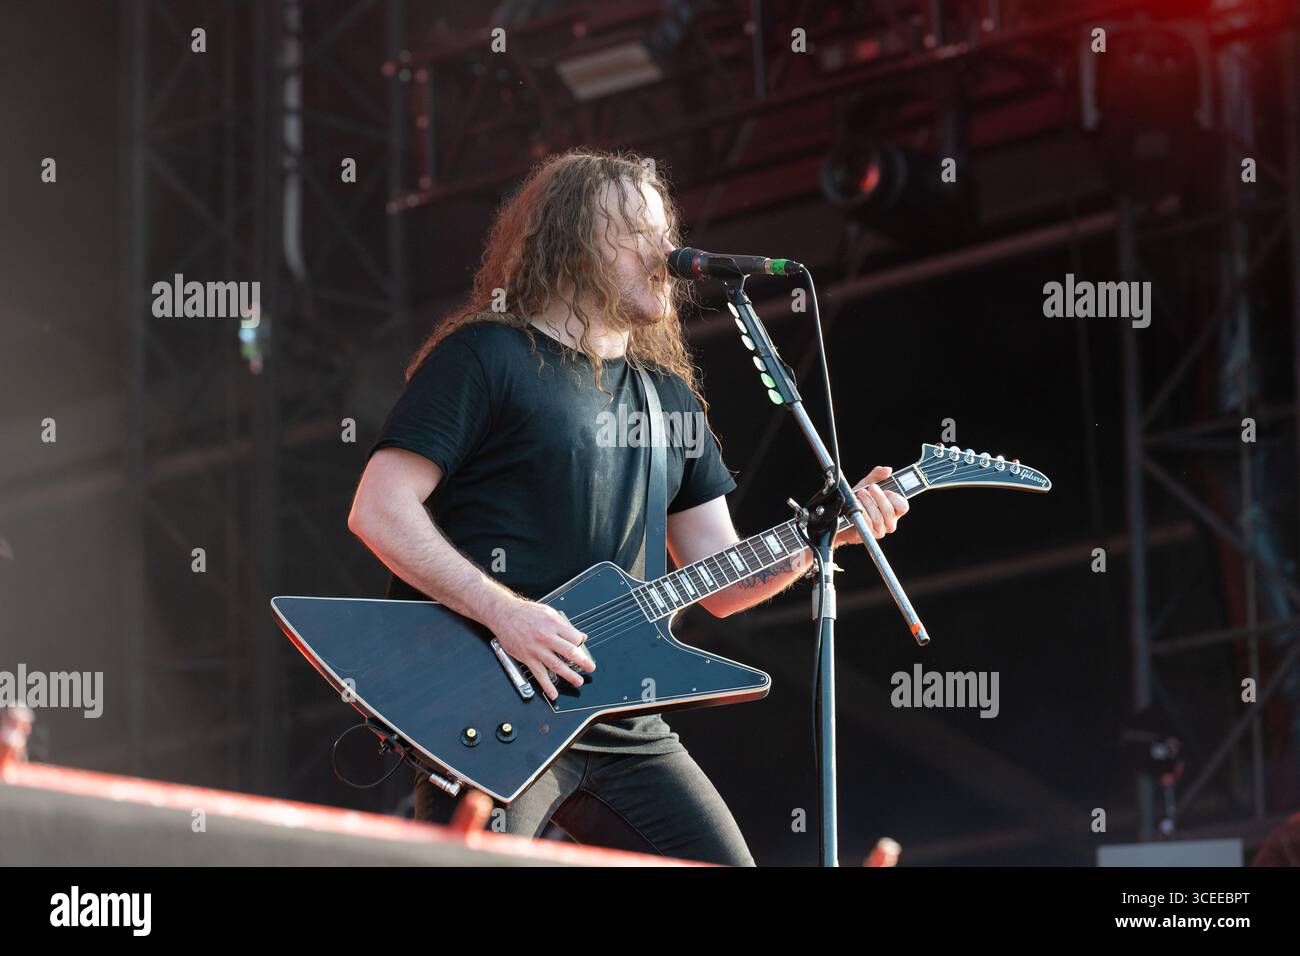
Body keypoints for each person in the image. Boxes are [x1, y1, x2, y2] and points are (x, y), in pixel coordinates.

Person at [348, 148, 908, 865]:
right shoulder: (485, 358)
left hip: (623, 719)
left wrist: (827, 535)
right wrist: (505, 613)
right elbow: (379, 509)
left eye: (665, 231)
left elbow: (725, 582)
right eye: (639, 232)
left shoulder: (667, 399)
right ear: (576, 242)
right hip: (489, 699)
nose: (666, 252)